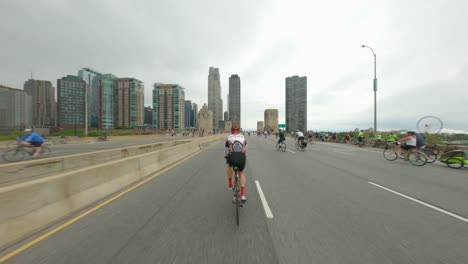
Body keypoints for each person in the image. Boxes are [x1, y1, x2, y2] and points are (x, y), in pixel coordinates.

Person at [225, 125, 248, 203]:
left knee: (229, 165)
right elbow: (246, 149)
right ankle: (242, 194)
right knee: (241, 172)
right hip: (241, 157)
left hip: (232, 157)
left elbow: (226, 150)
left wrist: (226, 156)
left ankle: (230, 184)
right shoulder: (243, 137)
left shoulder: (229, 137)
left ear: (232, 131)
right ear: (239, 131)